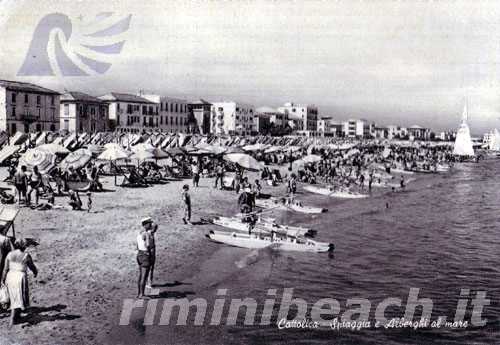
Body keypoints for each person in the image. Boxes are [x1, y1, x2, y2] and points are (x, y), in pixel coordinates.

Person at [1, 239, 38, 328]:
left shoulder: (10, 254)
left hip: (10, 276)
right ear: (23, 246)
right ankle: (12, 320)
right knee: (19, 297)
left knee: (14, 297)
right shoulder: (26, 255)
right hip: (20, 277)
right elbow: (31, 266)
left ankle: (17, 317)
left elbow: (5, 269)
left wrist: (3, 279)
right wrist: (35, 272)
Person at [136, 218, 153, 298]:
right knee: (144, 276)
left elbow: (137, 245)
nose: (151, 225)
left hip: (139, 254)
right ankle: (141, 295)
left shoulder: (139, 233)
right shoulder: (146, 233)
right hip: (145, 255)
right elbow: (148, 245)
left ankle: (139, 293)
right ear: (146, 224)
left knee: (141, 275)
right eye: (149, 223)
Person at [146, 223, 158, 288]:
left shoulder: (151, 233)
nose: (155, 230)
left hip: (152, 251)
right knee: (149, 268)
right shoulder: (148, 234)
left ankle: (149, 282)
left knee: (151, 267)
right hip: (149, 252)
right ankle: (149, 283)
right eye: (155, 228)